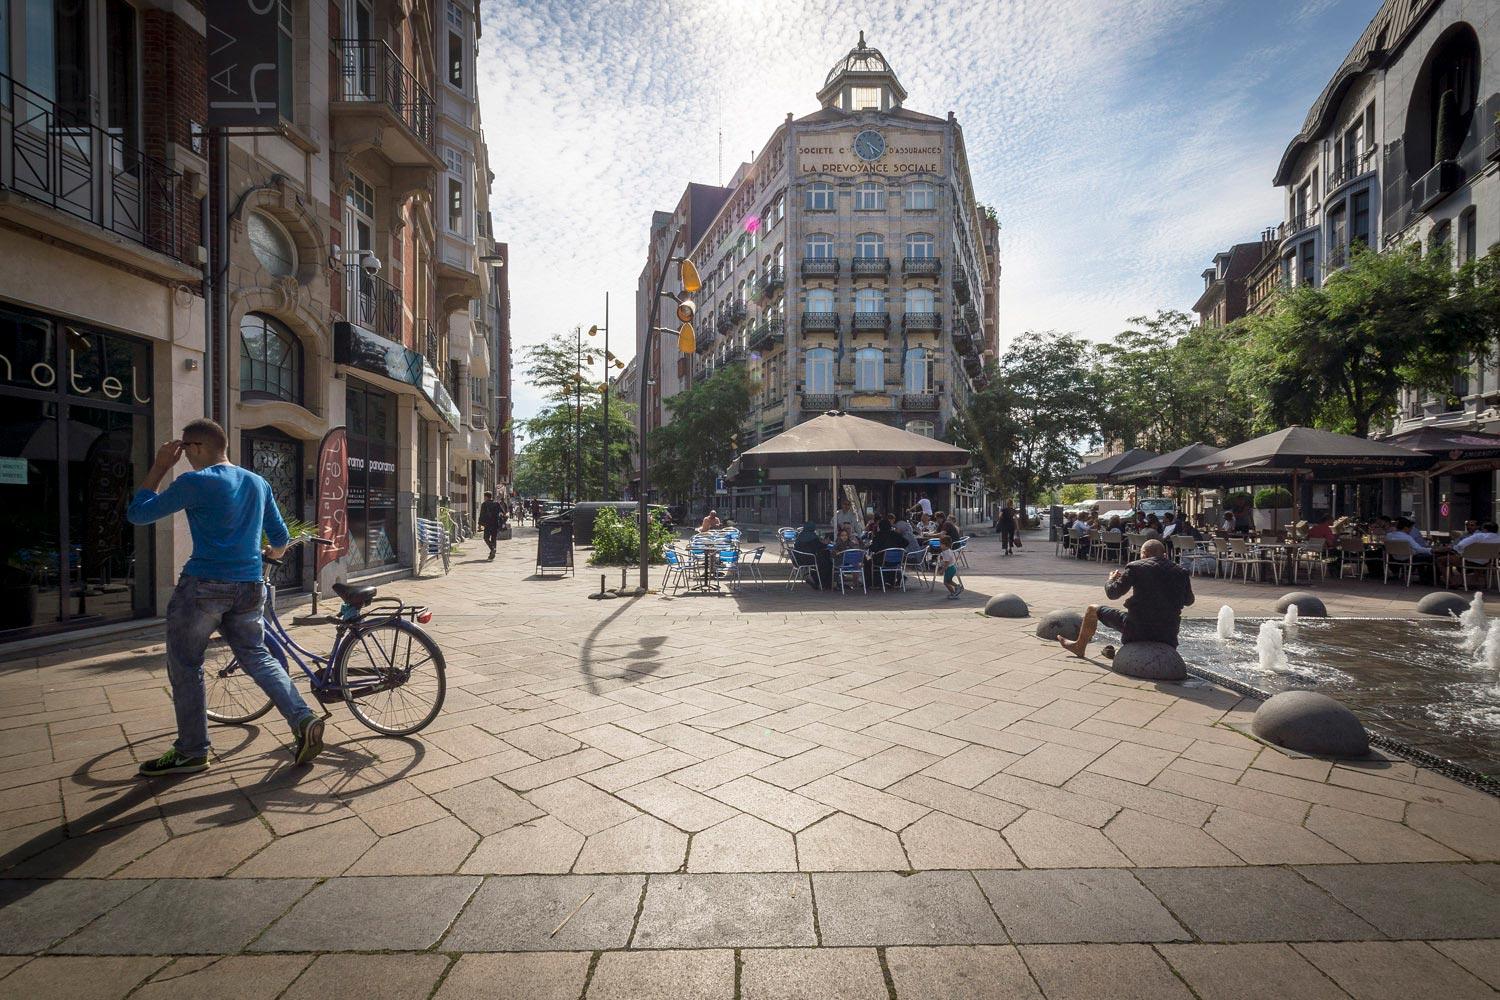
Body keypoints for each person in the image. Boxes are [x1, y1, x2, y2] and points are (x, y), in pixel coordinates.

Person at [125, 419, 325, 776]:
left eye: (185, 449)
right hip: (250, 586)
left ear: (197, 448)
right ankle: (302, 718)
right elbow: (279, 540)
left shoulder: (194, 482)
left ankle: (192, 750)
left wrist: (159, 467)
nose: (183, 457)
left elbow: (138, 514)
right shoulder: (257, 482)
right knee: (258, 657)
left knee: (186, 665)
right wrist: (267, 552)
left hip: (204, 586)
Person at [1058, 539, 1194, 659]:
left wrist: (1111, 580)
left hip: (1136, 629)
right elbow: (1189, 601)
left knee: (1092, 609)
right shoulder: (1180, 571)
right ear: (1165, 555)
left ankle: (1079, 647)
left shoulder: (1136, 567)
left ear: (1144, 554)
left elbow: (1113, 593)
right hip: (1168, 633)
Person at [1441, 521, 1500, 586]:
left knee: (1441, 560)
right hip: (1487, 563)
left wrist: (1456, 550)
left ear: (1485, 529)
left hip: (1469, 561)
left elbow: (1460, 545)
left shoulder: (1478, 536)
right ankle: (1474, 582)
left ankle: (1451, 582)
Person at [794, 521, 833, 590]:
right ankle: (819, 581)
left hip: (798, 559)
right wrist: (827, 543)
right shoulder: (812, 537)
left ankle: (817, 580)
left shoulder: (800, 535)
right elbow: (820, 546)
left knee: (824, 560)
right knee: (827, 563)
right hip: (810, 558)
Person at [478, 490, 503, 560]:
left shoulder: (484, 504)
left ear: (486, 497)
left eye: (484, 497)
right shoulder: (497, 504)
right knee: (494, 538)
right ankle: (492, 553)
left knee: (486, 538)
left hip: (488, 524)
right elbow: (503, 512)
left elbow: (481, 515)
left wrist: (480, 525)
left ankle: (492, 549)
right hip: (495, 523)